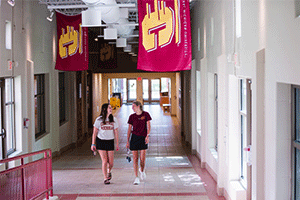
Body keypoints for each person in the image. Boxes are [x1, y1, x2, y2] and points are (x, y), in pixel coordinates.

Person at [91, 103, 119, 185]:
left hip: (110, 141)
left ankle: (108, 171)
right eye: (109, 108)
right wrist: (93, 143)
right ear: (105, 109)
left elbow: (116, 132)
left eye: (111, 107)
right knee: (104, 160)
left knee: (111, 163)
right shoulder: (98, 120)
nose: (111, 109)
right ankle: (105, 178)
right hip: (101, 141)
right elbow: (95, 132)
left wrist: (117, 143)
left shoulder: (114, 119)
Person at [126, 101, 152, 185]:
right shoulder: (132, 117)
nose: (132, 108)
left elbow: (148, 126)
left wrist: (147, 136)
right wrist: (127, 141)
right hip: (134, 138)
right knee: (135, 159)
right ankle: (136, 177)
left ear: (138, 106)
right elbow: (129, 129)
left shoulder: (146, 114)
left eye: (133, 106)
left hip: (143, 138)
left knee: (142, 159)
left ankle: (142, 170)